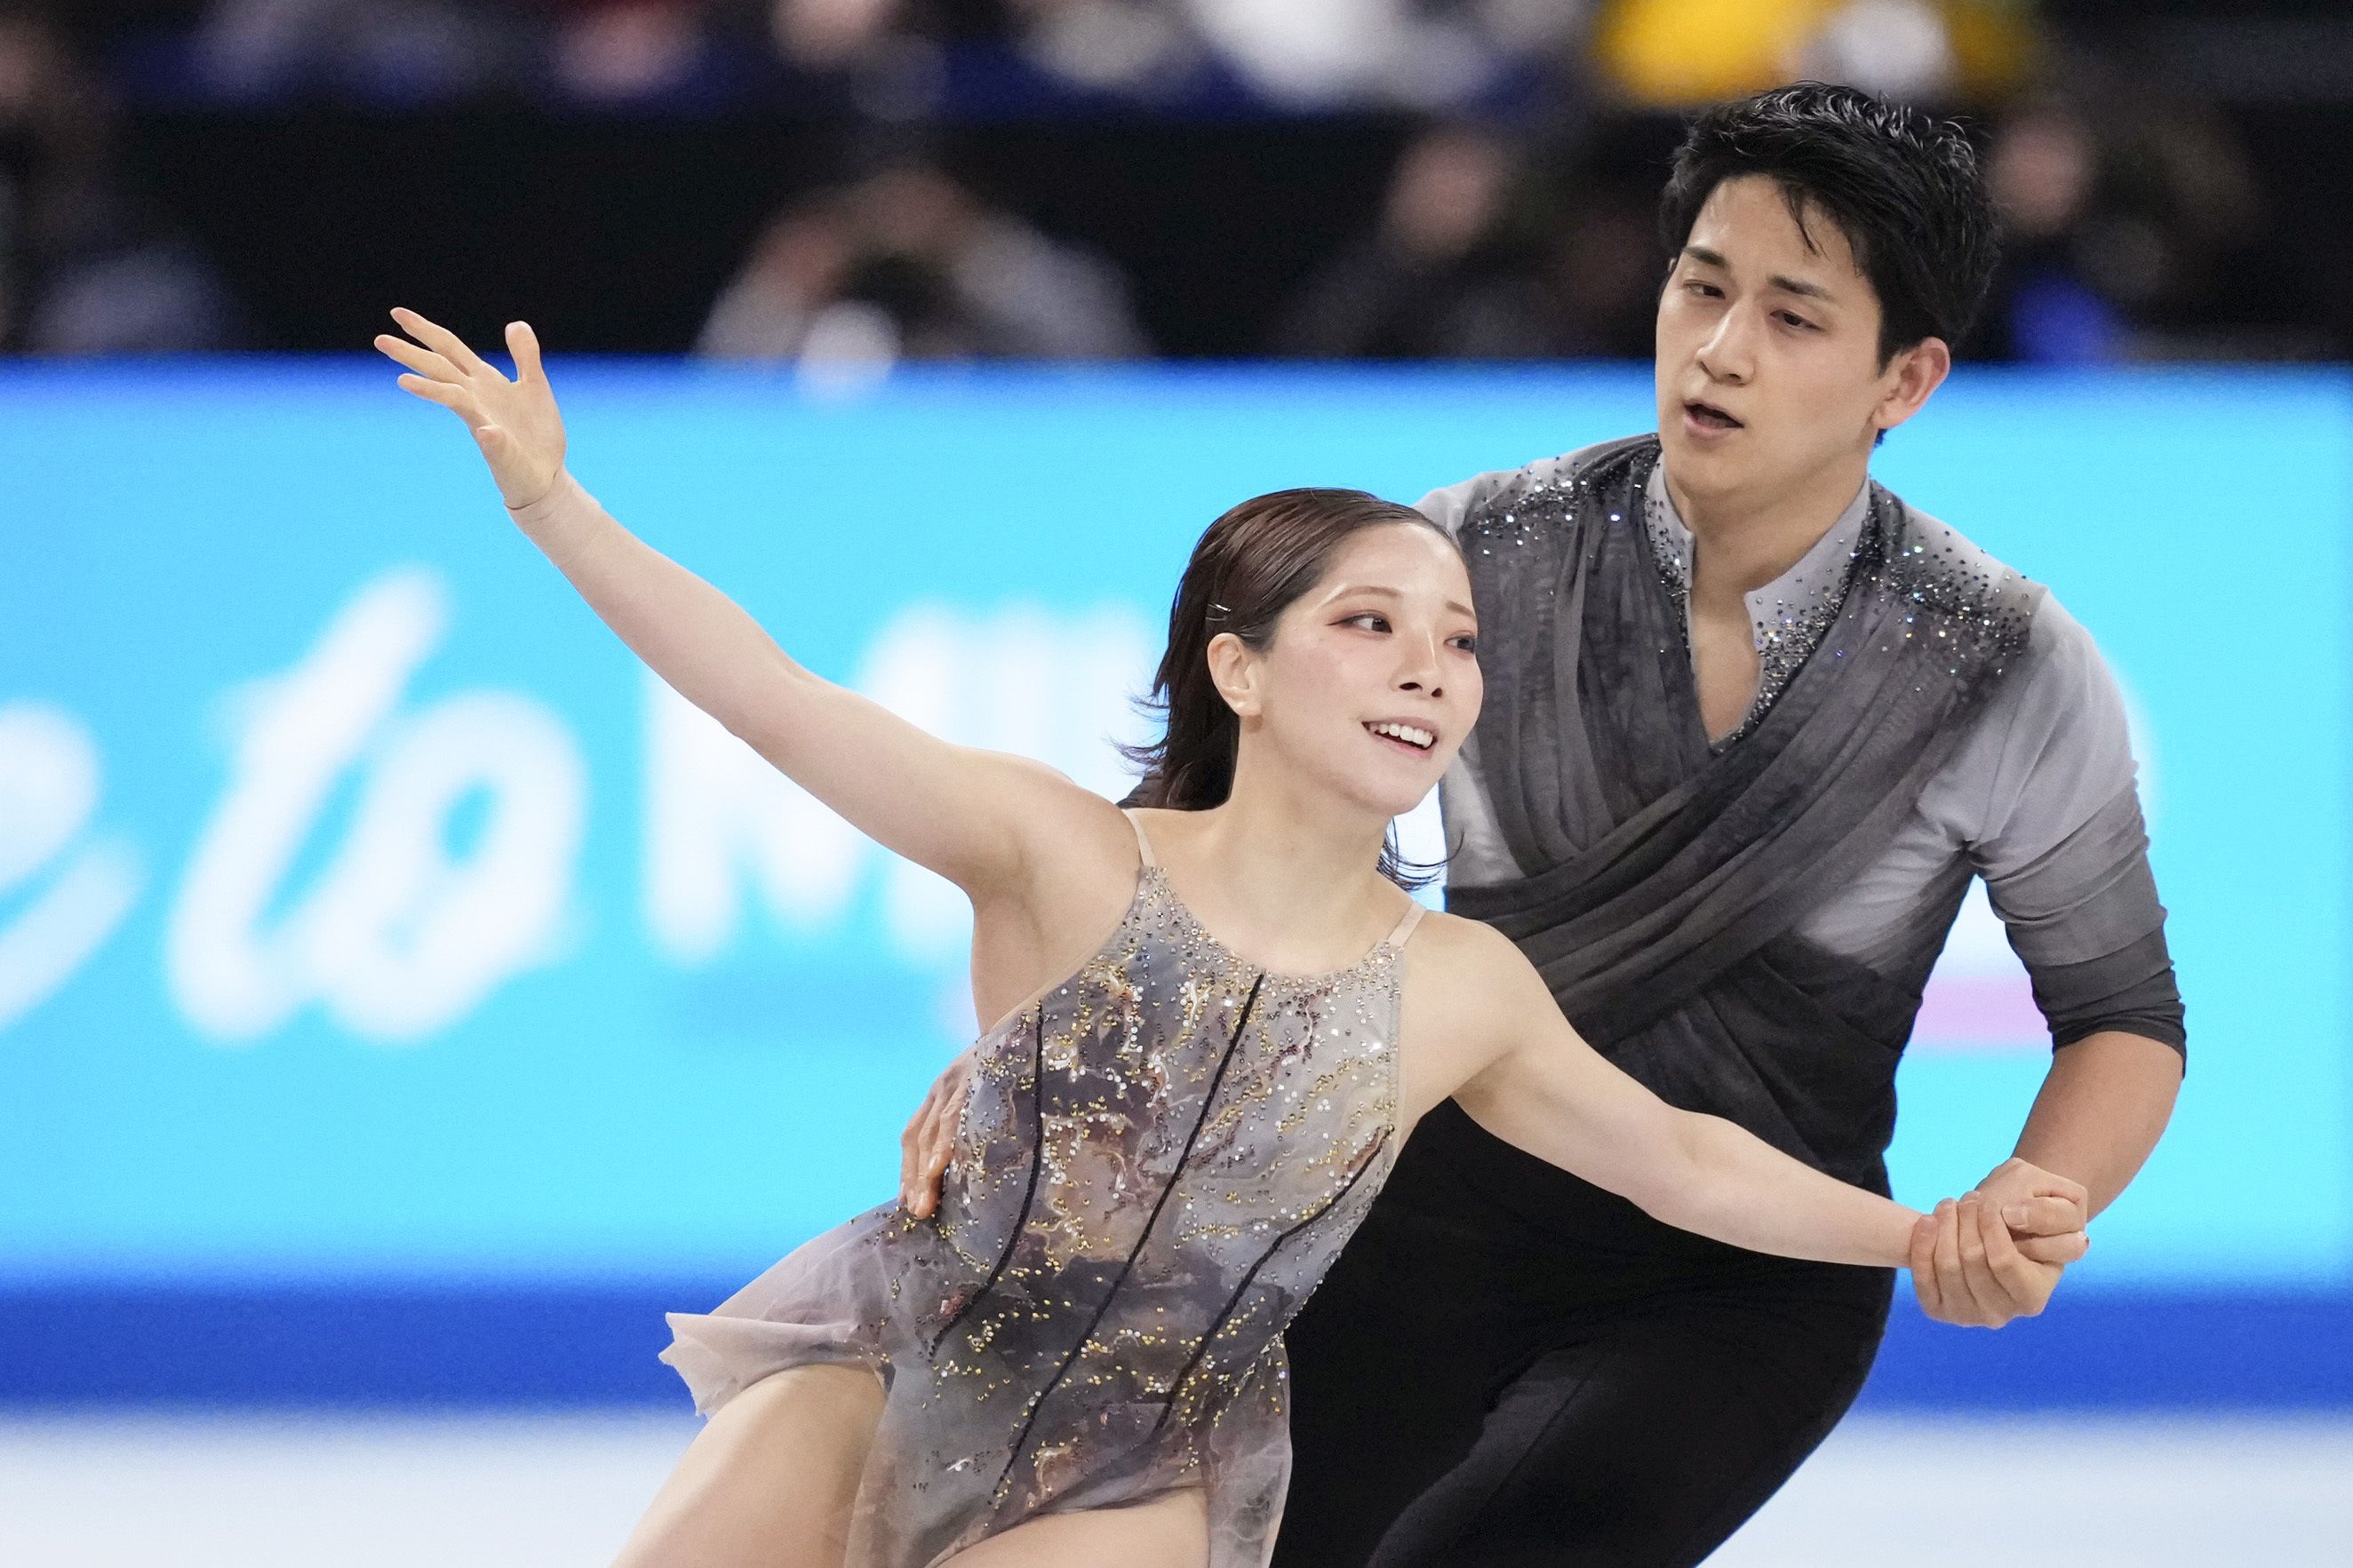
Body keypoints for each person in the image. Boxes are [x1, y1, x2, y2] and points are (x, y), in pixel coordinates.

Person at [371, 300, 2070, 1568]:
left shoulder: (1458, 986)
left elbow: (1680, 1161)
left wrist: (1921, 1235)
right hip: (890, 1372)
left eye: (1457, 639)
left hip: (1144, 1482)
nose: (1427, 667)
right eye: (1370, 624)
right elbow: (772, 698)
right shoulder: (1060, 855)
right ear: (1239, 668)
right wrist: (554, 504)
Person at [902, 83, 2184, 1565]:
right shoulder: (1477, 555)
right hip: (1416, 1223)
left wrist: (2032, 1199)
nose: (1720, 349)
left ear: (1906, 379)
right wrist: (1049, 1042)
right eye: (1701, 287)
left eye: (1793, 317)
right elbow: (1231, 818)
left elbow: (2122, 1015)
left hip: (1745, 1274)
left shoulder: (2001, 664)